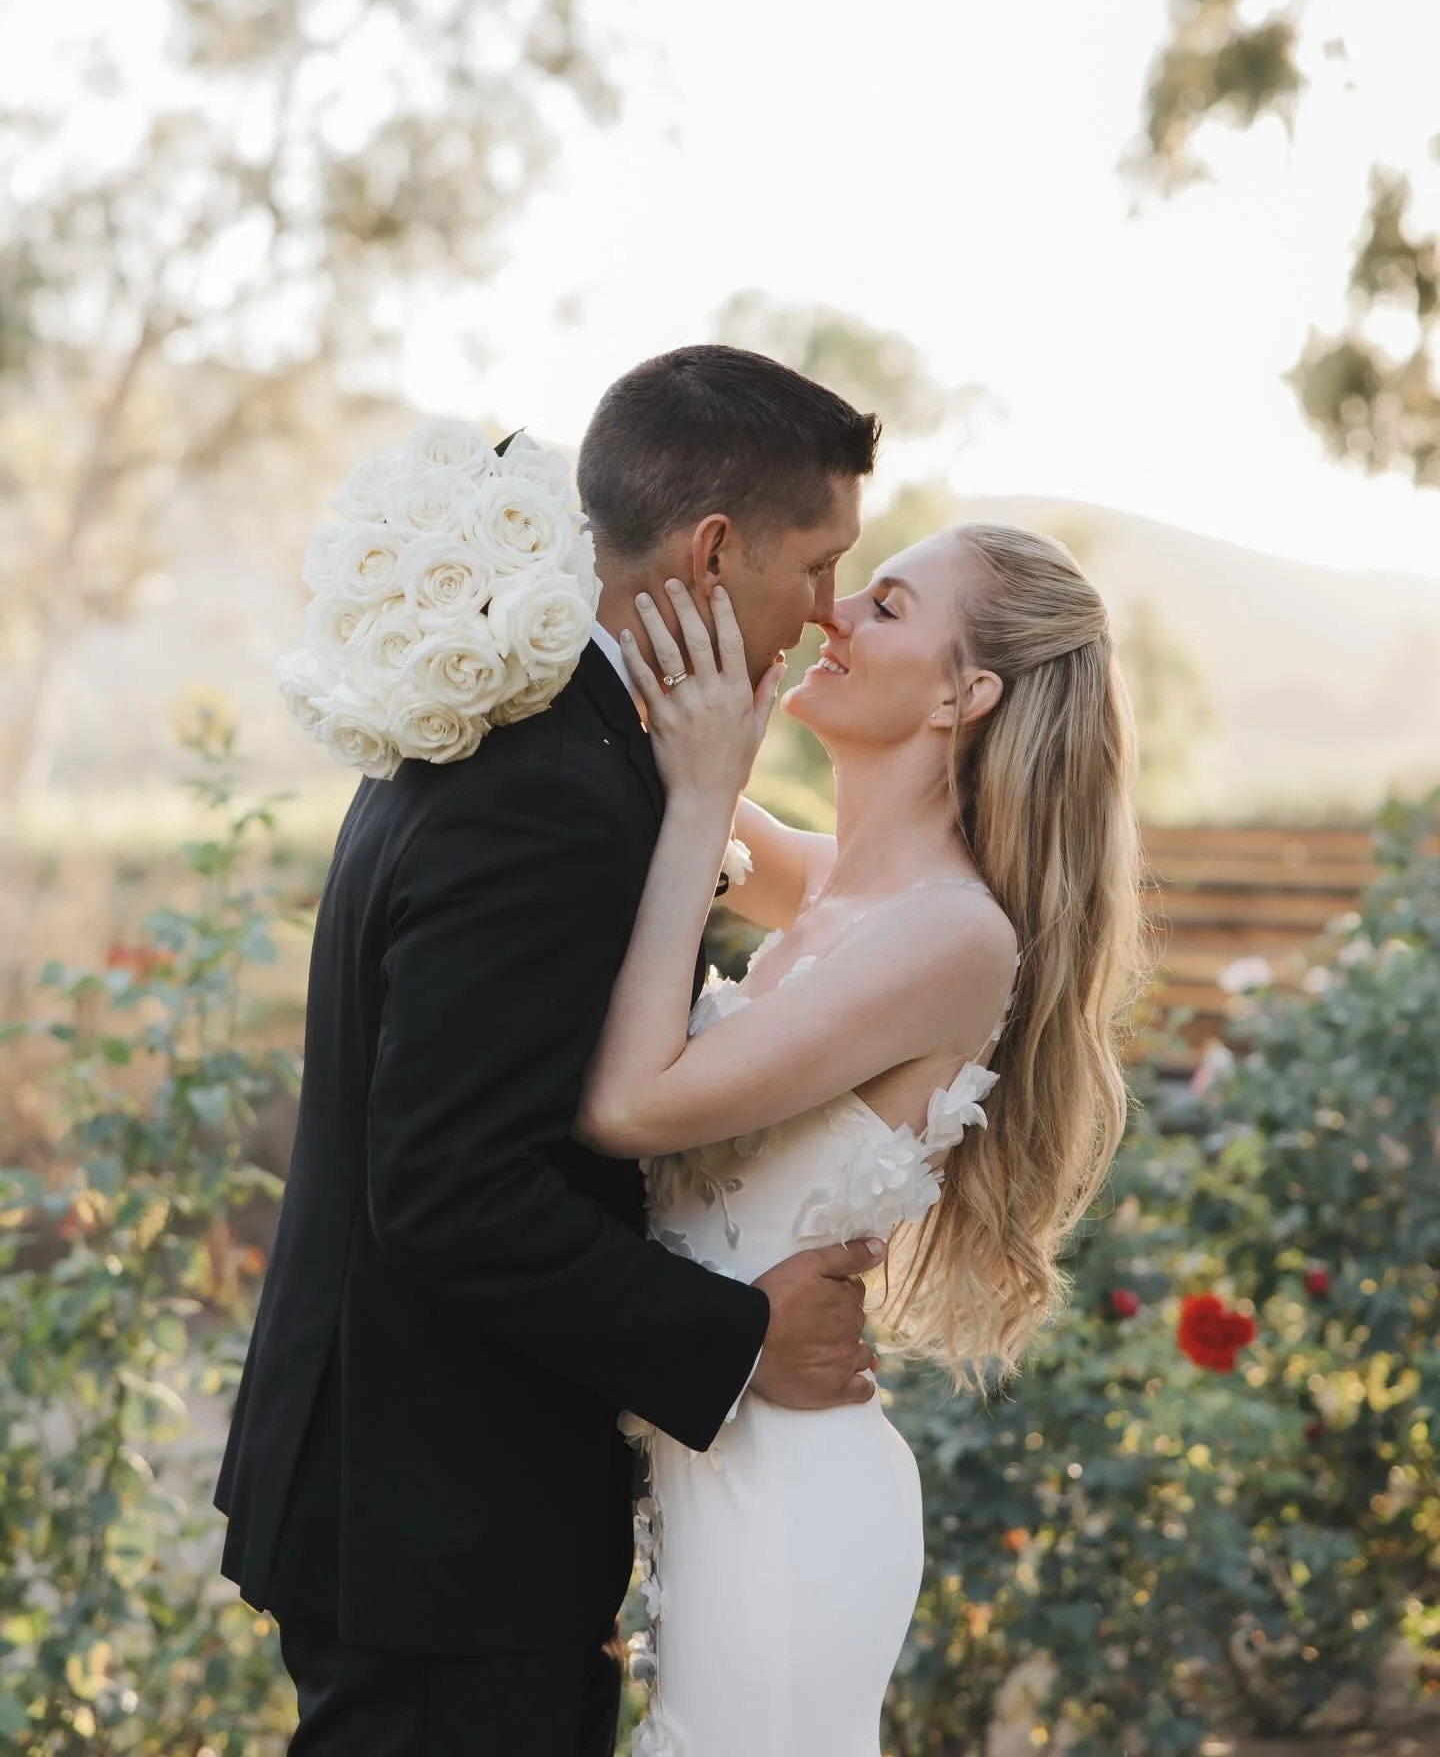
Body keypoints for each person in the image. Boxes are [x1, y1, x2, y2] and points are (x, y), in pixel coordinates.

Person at [215, 345, 887, 1757]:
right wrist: (741, 1335)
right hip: (437, 1524)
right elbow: (453, 1189)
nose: (826, 616)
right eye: (818, 567)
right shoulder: (545, 792)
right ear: (712, 552)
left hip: (421, 1504)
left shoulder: (542, 737)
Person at [576, 521, 1144, 1757]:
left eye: (883, 606)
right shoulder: (836, 887)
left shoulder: (952, 937)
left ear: (966, 693)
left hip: (795, 1500)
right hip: (714, 1459)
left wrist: (698, 799)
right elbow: (684, 748)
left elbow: (628, 1106)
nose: (833, 618)